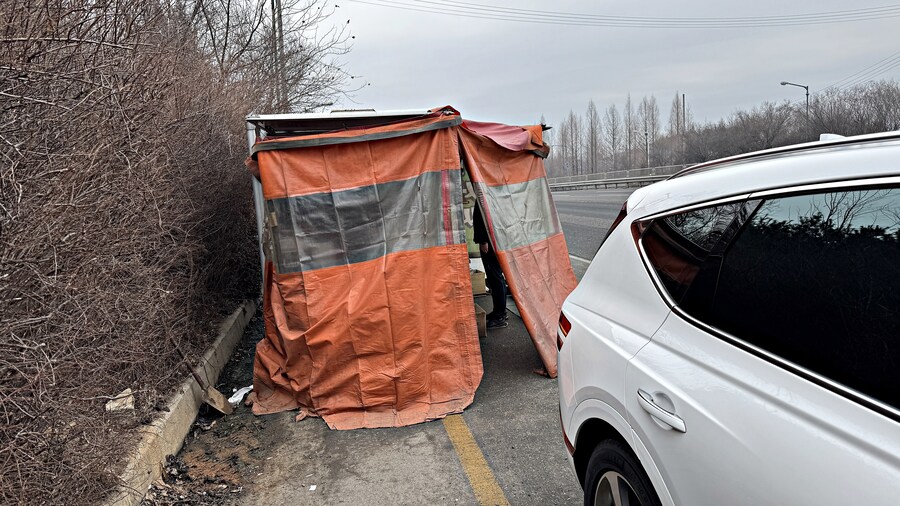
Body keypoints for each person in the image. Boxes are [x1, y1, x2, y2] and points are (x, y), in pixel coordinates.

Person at [473, 204, 508, 329]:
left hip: (489, 242)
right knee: (497, 278)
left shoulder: (484, 192)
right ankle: (499, 311)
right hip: (495, 240)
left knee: (495, 278)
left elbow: (484, 218)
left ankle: (500, 315)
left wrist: (483, 240)